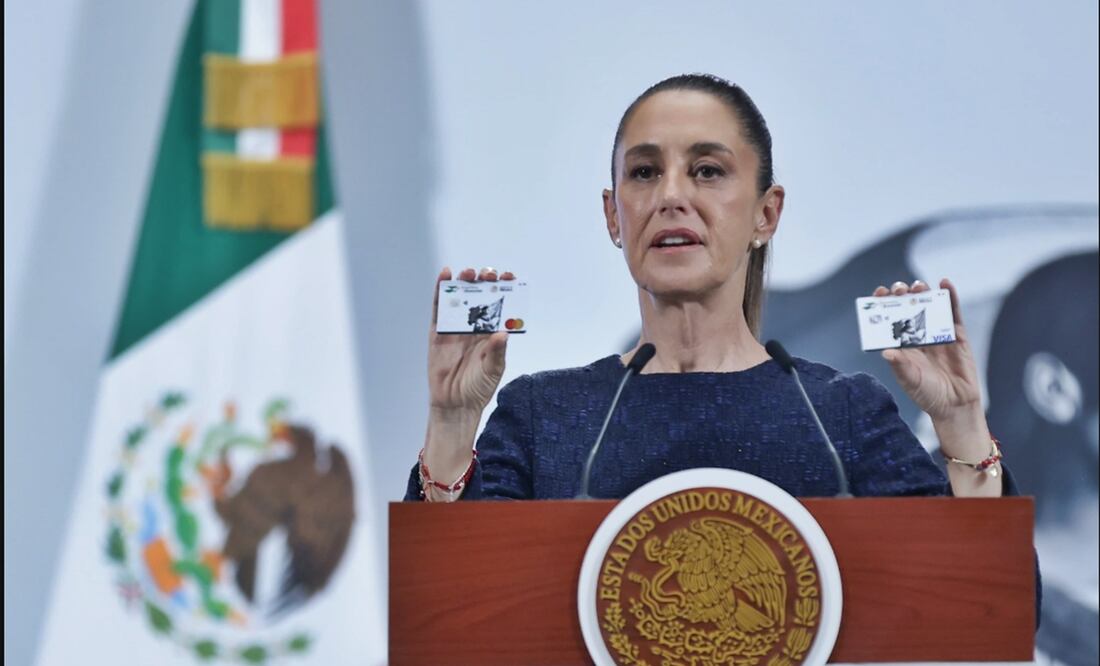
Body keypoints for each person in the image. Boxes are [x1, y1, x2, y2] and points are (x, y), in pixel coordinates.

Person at [406, 73, 1016, 505]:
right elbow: (447, 610)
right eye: (644, 173)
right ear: (614, 215)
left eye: (707, 171)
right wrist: (453, 424)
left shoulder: (843, 414)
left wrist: (961, 424)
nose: (672, 196)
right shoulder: (544, 416)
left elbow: (990, 604)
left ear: (765, 215)